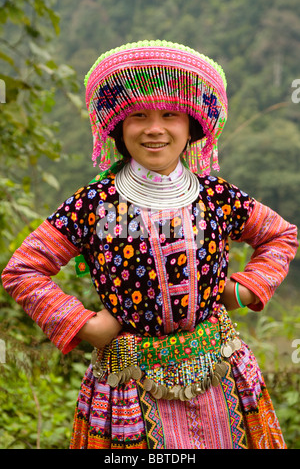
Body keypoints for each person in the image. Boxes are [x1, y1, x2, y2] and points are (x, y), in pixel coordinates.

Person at [1, 40, 298, 450]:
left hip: (221, 372)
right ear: (119, 127)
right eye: (138, 115)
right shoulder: (95, 204)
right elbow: (23, 269)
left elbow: (280, 234)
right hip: (127, 385)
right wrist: (85, 325)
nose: (154, 128)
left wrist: (246, 289)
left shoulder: (217, 196)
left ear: (191, 126)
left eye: (170, 114)